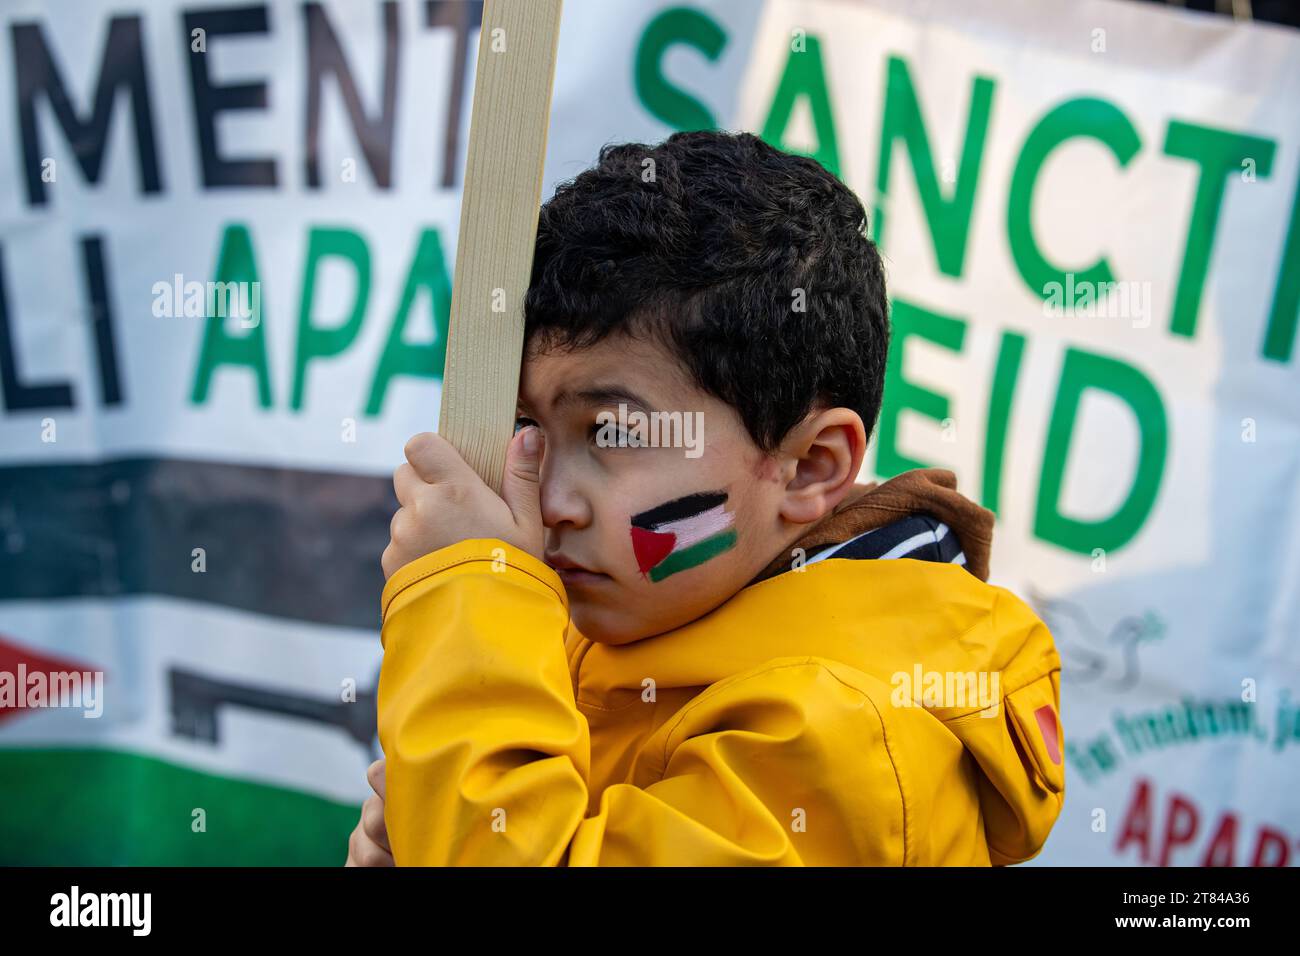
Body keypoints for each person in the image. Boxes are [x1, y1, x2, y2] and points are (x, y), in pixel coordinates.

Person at [347, 131, 1064, 866]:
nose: (551, 502)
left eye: (617, 432)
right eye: (527, 426)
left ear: (811, 466)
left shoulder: (843, 736)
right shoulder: (629, 608)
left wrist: (467, 600)